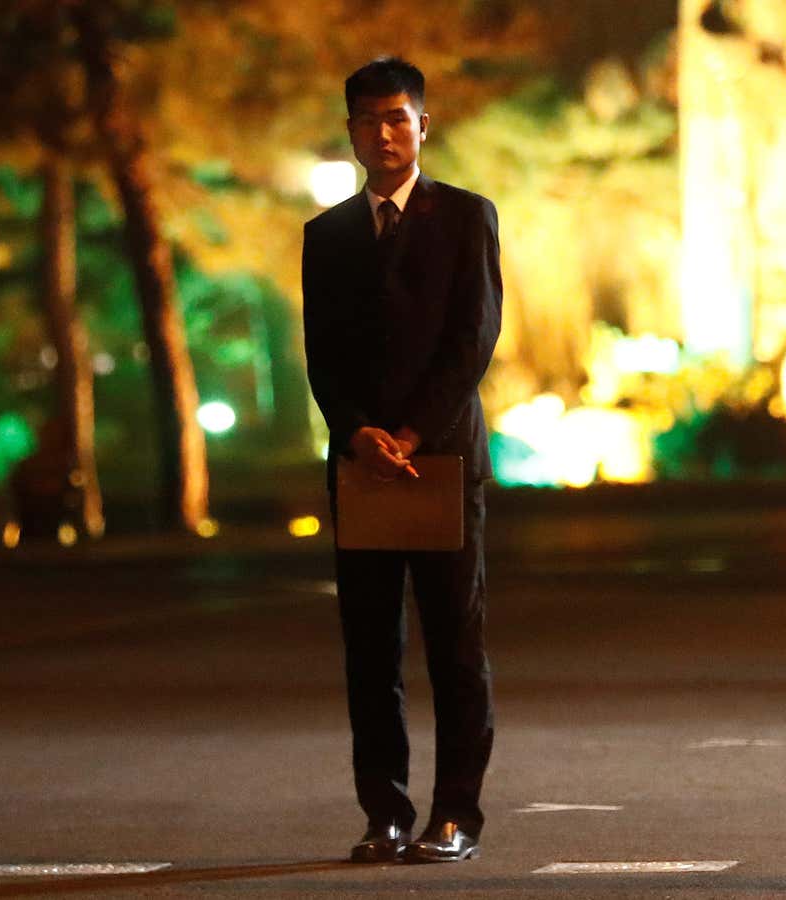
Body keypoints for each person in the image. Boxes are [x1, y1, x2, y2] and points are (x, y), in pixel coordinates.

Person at [300, 56, 503, 865]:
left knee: (456, 642)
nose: (383, 134)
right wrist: (356, 433)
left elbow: (473, 340)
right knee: (369, 647)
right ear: (349, 130)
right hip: (359, 466)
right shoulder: (328, 234)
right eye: (367, 120)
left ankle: (456, 814)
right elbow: (321, 356)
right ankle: (383, 811)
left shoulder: (466, 216)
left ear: (424, 124)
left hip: (441, 461)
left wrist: (413, 434)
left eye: (398, 118)